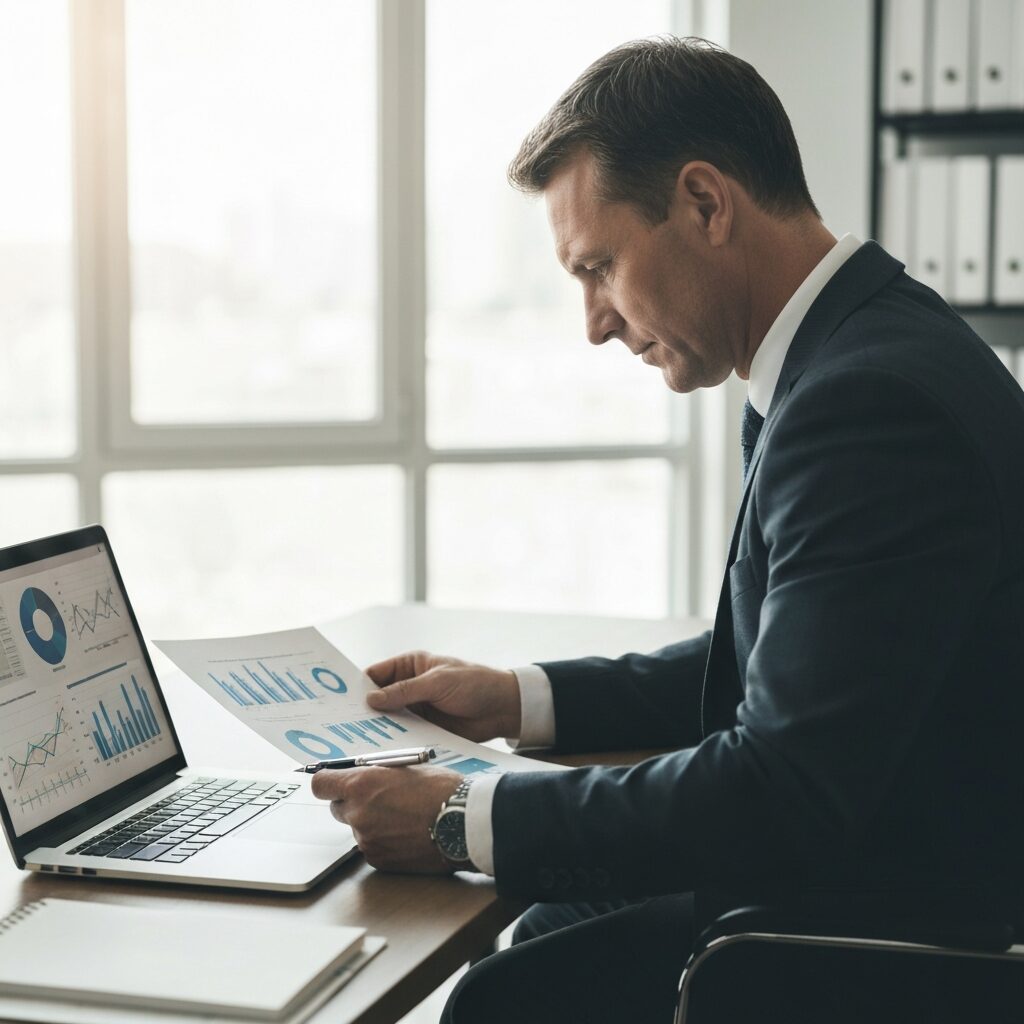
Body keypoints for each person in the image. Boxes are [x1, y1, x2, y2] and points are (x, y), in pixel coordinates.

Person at [311, 37, 1024, 1022]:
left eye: (600, 266)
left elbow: (780, 790)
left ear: (704, 204)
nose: (595, 321)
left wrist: (457, 815)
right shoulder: (864, 349)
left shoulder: (867, 406)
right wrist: (518, 697)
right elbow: (785, 659)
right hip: (874, 871)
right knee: (543, 927)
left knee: (506, 996)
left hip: (880, 933)